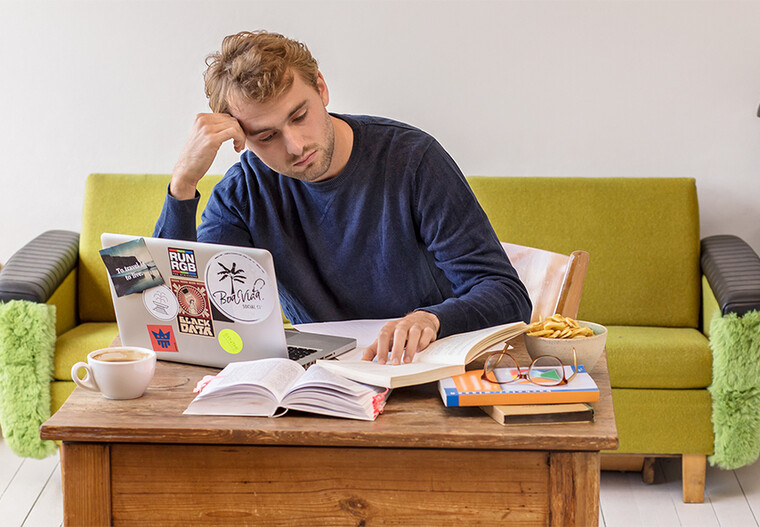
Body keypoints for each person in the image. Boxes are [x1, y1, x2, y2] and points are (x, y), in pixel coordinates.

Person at [154, 30, 532, 365]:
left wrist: (431, 318)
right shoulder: (243, 194)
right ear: (241, 139)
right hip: (324, 379)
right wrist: (183, 183)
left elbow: (507, 294)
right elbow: (179, 317)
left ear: (321, 88)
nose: (295, 146)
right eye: (266, 137)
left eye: (299, 116)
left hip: (423, 367)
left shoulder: (414, 160)